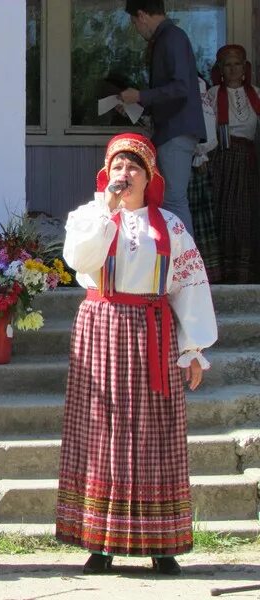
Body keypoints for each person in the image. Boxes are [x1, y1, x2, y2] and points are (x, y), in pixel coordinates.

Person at [56, 133, 217, 576]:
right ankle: (100, 541)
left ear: (149, 177)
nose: (123, 175)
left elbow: (188, 282)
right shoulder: (88, 216)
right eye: (117, 167)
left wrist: (194, 347)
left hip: (152, 331)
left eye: (133, 168)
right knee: (102, 431)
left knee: (153, 433)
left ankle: (160, 542)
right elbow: (78, 260)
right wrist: (106, 213)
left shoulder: (170, 226)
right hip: (102, 324)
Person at [119, 0, 206, 235]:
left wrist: (141, 95)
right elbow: (174, 91)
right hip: (173, 128)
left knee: (175, 200)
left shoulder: (171, 37)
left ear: (142, 15)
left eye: (134, 23)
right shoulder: (170, 37)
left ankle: (185, 266)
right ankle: (179, 262)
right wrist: (138, 103)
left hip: (176, 129)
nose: (137, 29)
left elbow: (181, 87)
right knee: (170, 199)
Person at [206, 44, 260, 283]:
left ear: (244, 68)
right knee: (223, 213)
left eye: (237, 63)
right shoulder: (212, 94)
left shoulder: (256, 93)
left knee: (245, 216)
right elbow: (206, 129)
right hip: (223, 161)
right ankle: (222, 272)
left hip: (249, 161)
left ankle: (244, 273)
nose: (233, 69)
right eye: (227, 65)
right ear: (221, 69)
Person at [187, 74, 220, 282]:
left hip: (194, 159)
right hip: (181, 156)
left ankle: (204, 271)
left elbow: (207, 128)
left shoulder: (197, 87)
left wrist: (201, 152)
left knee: (198, 215)